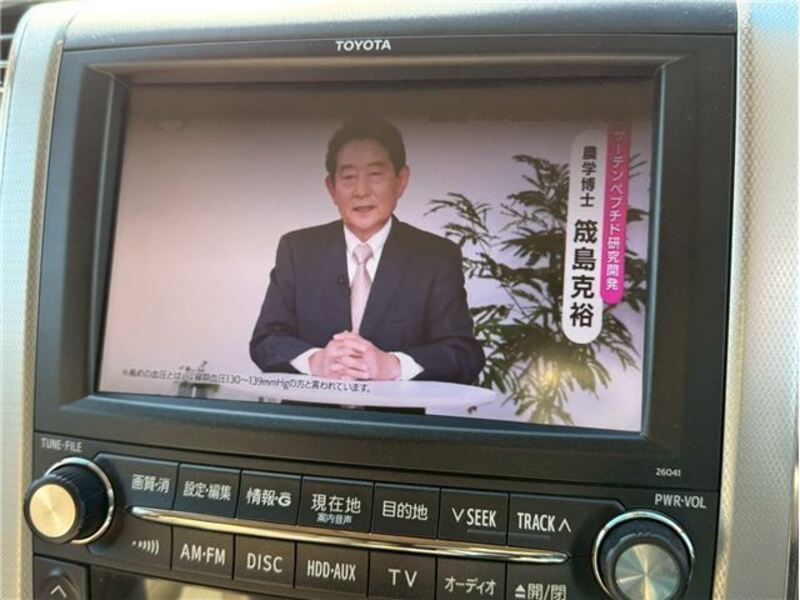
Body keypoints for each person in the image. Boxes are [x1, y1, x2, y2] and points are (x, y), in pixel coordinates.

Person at [249, 118, 484, 384]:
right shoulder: (298, 250)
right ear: (332, 188)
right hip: (312, 410)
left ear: (401, 181)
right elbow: (266, 341)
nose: (361, 191)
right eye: (348, 177)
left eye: (375, 175)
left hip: (394, 412)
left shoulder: (435, 256)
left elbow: (463, 354)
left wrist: (393, 366)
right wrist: (315, 361)